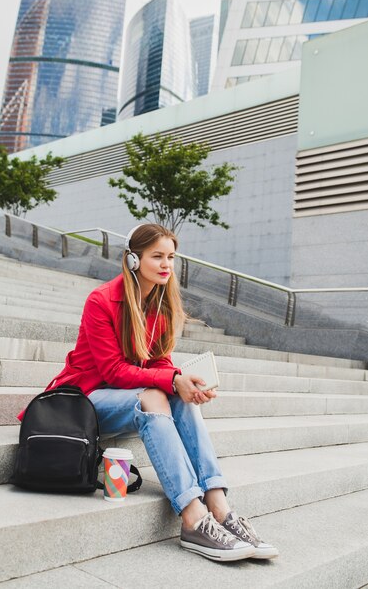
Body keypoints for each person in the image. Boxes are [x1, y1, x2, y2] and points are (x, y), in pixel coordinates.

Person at [28, 223, 278, 562]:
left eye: (171, 257)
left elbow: (160, 364)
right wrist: (171, 380)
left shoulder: (159, 306)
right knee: (156, 394)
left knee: (176, 394)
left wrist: (184, 381)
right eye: (157, 256)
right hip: (84, 400)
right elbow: (112, 371)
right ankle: (192, 517)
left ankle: (219, 506)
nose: (166, 265)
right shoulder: (101, 300)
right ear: (133, 259)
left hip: (123, 396)